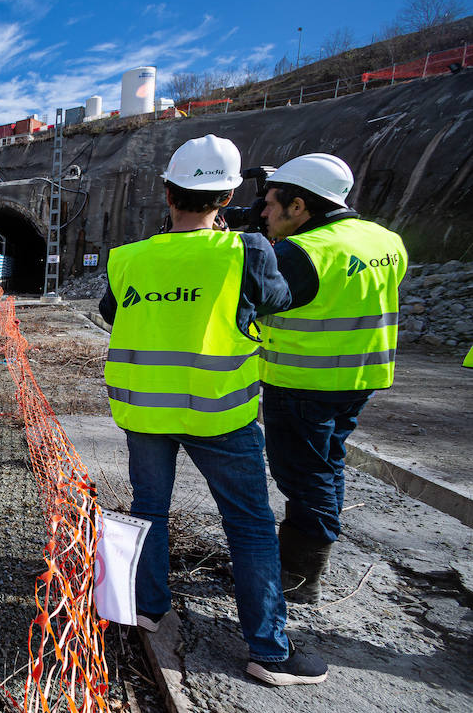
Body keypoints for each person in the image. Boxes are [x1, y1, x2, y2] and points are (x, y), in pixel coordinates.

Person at [100, 134, 327, 686]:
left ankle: (149, 610)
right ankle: (267, 652)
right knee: (249, 526)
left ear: (168, 193)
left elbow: (112, 312)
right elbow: (277, 300)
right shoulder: (247, 250)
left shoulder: (128, 257)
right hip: (220, 414)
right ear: (226, 199)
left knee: (149, 509)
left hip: (145, 414)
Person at [258, 153, 407, 603]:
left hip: (304, 383)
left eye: (270, 204)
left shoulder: (300, 253)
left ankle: (300, 574)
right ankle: (307, 560)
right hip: (361, 378)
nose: (263, 213)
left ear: (298, 206)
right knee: (327, 464)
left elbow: (253, 304)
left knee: (304, 477)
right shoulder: (385, 240)